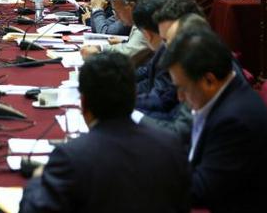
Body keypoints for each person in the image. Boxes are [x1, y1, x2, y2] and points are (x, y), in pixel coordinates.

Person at [19, 52, 190, 213]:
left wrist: (37, 179)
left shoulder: (71, 157)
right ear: (133, 95)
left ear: (83, 103)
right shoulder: (171, 145)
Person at [161, 29, 267, 211]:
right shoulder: (222, 97)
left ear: (209, 80)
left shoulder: (235, 120)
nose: (179, 97)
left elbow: (200, 191)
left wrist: (147, 174)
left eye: (182, 88)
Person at [131, 0, 179, 119]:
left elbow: (163, 100)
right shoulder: (164, 48)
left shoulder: (175, 52)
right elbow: (148, 77)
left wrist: (125, 104)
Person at [81, 0, 149, 64]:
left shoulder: (144, 22)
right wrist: (122, 43)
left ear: (131, 6)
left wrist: (100, 50)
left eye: (117, 11)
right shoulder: (138, 18)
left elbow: (129, 53)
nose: (116, 17)